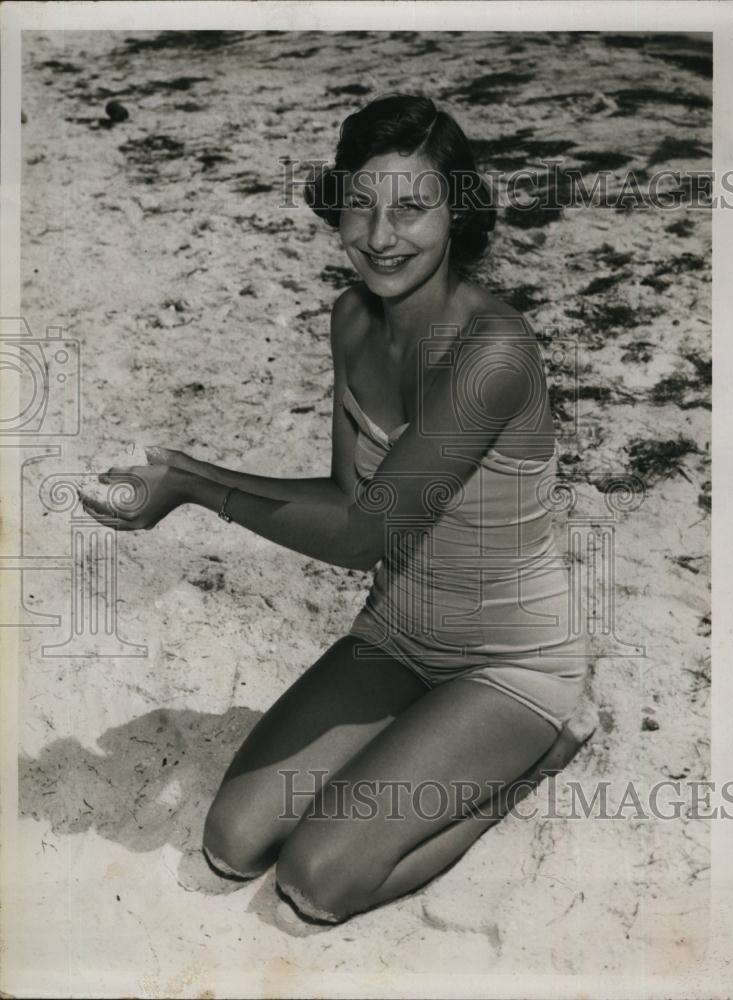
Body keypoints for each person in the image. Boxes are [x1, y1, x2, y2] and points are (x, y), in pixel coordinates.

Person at [80, 94, 593, 925]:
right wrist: (181, 472)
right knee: (232, 840)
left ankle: (543, 753)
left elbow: (364, 537)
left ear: (458, 214)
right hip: (396, 633)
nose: (382, 236)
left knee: (315, 883)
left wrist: (194, 490)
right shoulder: (352, 319)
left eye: (414, 208)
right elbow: (348, 497)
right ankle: (430, 741)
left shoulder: (492, 354)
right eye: (362, 204)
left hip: (508, 661)